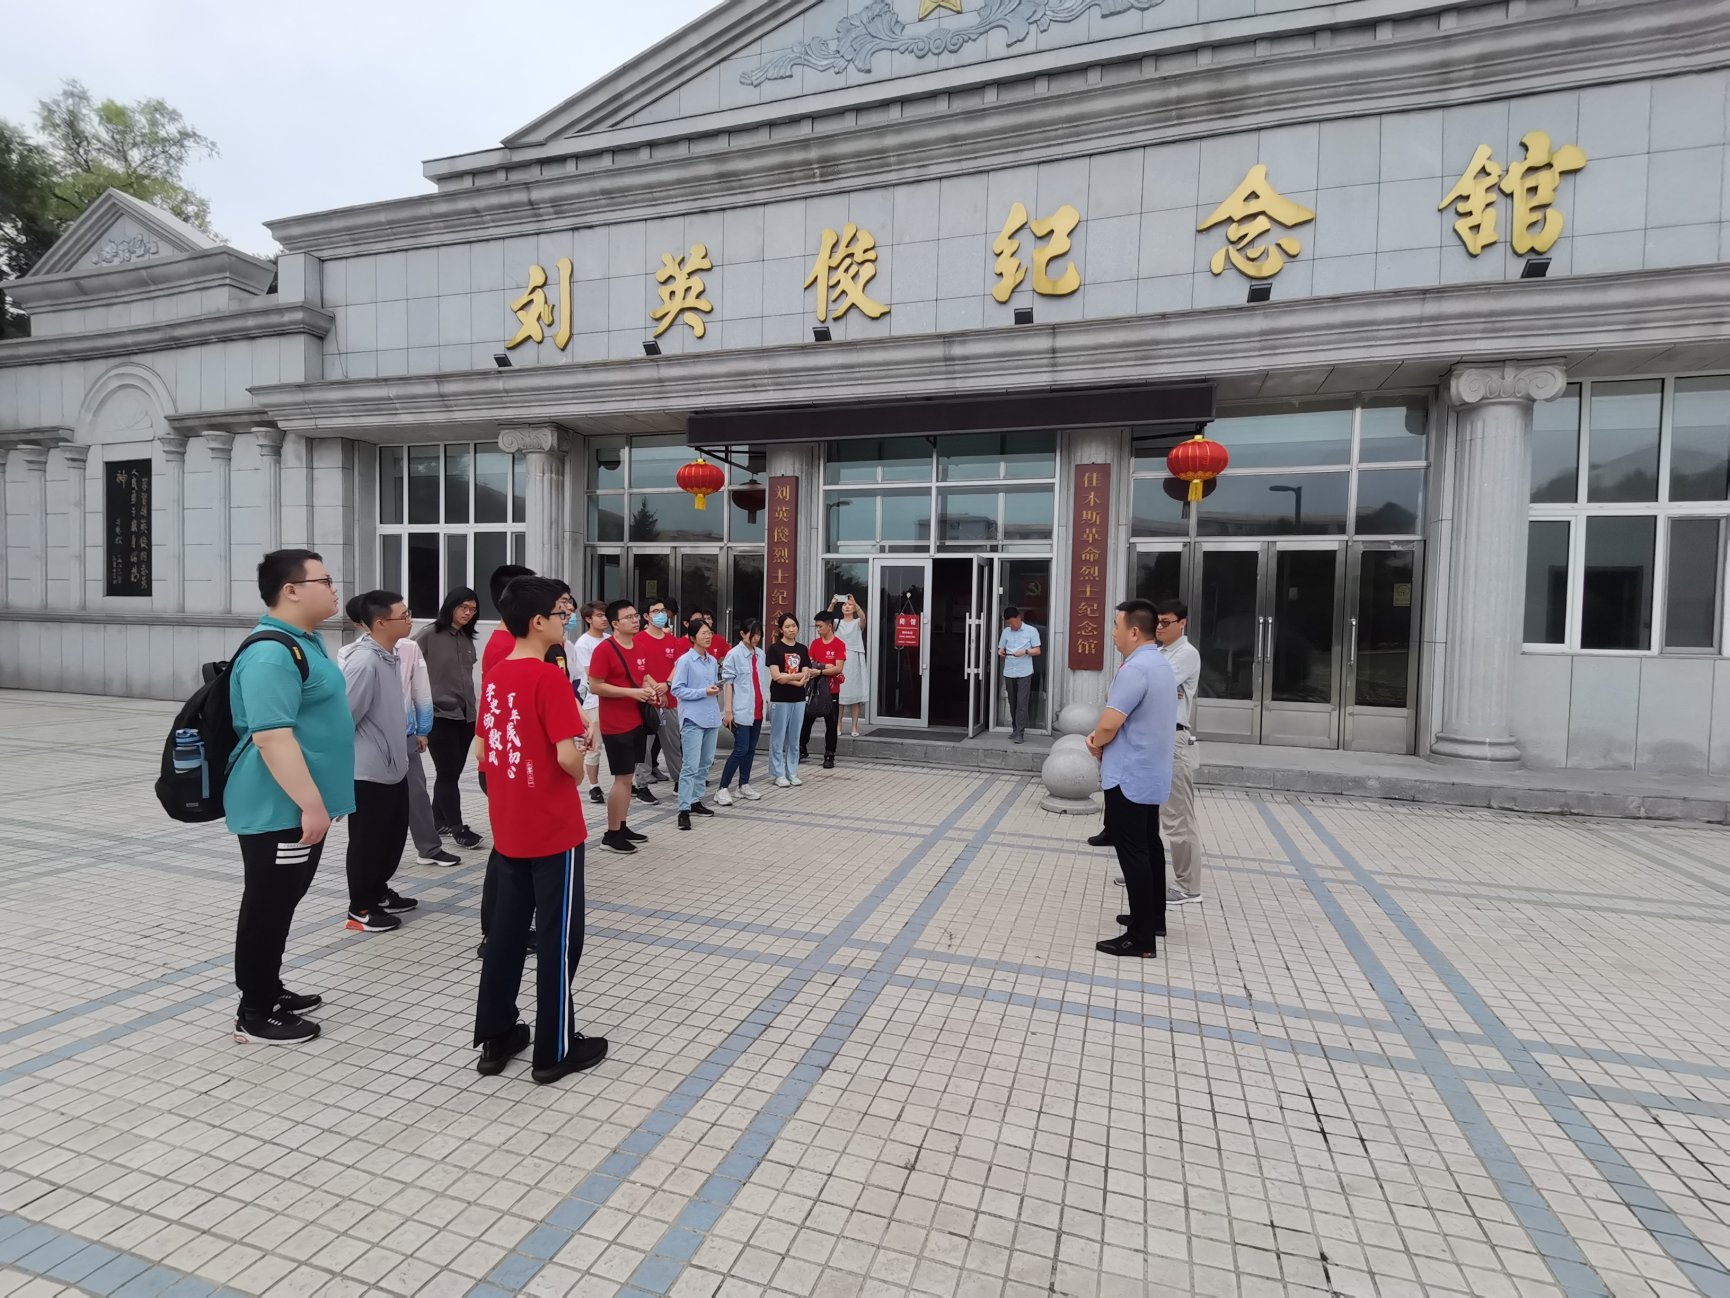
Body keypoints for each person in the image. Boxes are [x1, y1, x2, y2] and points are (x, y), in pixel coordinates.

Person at [473, 575, 608, 1084]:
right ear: (537, 622)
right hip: (552, 828)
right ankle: (554, 1050)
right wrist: (576, 754)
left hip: (509, 823)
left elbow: (484, 748)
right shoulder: (547, 677)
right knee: (558, 938)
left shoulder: (495, 676)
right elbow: (568, 760)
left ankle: (497, 1037)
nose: (565, 620)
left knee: (506, 934)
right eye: (560, 613)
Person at [226, 549, 353, 1045]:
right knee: (269, 903)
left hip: (297, 805)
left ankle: (269, 987)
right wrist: (311, 804)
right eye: (325, 580)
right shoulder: (271, 653)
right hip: (280, 806)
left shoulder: (305, 643)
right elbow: (271, 736)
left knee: (283, 899)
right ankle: (255, 1012)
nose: (334, 589)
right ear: (291, 590)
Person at [1086, 600, 1177, 958]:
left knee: (1134, 853)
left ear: (1134, 631)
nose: (1112, 632)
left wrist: (1095, 741)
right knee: (1149, 846)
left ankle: (1140, 939)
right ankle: (1153, 919)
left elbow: (1110, 723)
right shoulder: (1160, 664)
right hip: (1150, 772)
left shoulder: (1136, 669)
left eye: (1116, 625)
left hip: (1129, 775)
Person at [343, 597, 456, 868]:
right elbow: (348, 713)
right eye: (403, 616)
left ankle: (427, 848)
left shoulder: (404, 650)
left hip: (404, 737)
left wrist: (422, 729)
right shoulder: (358, 657)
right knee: (372, 825)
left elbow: (420, 691)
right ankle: (368, 889)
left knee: (414, 797)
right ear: (373, 622)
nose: (410, 621)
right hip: (372, 752)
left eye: (408, 613)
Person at [340, 589, 417, 933]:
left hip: (393, 766)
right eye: (404, 615)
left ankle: (378, 890)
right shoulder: (364, 662)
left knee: (391, 837)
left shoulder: (390, 655)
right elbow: (345, 718)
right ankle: (360, 907)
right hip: (368, 771)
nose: (410, 620)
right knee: (367, 842)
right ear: (381, 623)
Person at [585, 600, 658, 855]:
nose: (635, 620)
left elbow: (642, 677)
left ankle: (622, 825)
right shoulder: (604, 650)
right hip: (615, 725)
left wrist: (650, 689)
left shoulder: (639, 647)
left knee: (628, 778)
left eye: (636, 615)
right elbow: (595, 685)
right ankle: (611, 834)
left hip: (637, 720)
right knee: (622, 778)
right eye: (629, 617)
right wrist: (631, 693)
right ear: (615, 624)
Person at [415, 588, 482, 849]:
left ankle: (438, 819)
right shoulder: (429, 635)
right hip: (439, 715)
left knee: (452, 772)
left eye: (473, 610)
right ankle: (458, 828)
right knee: (447, 773)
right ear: (450, 606)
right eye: (463, 607)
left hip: (466, 717)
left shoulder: (466, 638)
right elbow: (406, 666)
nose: (468, 613)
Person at [1156, 599, 1206, 907]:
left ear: (1182, 623)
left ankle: (1188, 886)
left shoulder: (1186, 654)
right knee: (1149, 810)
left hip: (1174, 738)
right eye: (1157, 622)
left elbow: (1152, 685)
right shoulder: (1157, 653)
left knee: (1178, 816)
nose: (1160, 627)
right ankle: (1146, 870)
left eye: (1166, 622)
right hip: (1153, 738)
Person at [671, 616, 724, 830]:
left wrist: (715, 688)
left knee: (705, 763)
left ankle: (695, 800)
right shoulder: (685, 661)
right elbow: (677, 689)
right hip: (693, 718)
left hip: (711, 717)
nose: (708, 637)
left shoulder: (712, 661)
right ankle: (683, 809)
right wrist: (703, 691)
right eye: (703, 633)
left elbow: (710, 686)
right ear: (692, 638)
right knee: (690, 766)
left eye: (709, 633)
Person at [633, 596, 686, 803]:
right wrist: (657, 689)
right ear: (646, 616)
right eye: (656, 611)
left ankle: (680, 781)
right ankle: (642, 785)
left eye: (662, 611)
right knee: (644, 746)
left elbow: (678, 665)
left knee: (673, 743)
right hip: (646, 700)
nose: (661, 614)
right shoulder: (637, 640)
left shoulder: (672, 640)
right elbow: (641, 670)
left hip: (670, 700)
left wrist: (667, 685)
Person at [716, 620, 768, 806]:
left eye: (759, 634)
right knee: (741, 749)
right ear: (743, 634)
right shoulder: (734, 654)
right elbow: (728, 684)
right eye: (752, 634)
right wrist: (728, 711)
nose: (756, 638)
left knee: (751, 749)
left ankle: (743, 785)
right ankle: (722, 788)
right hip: (741, 710)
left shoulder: (760, 654)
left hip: (757, 709)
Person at [567, 601, 611, 806]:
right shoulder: (583, 644)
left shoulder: (610, 640)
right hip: (593, 701)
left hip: (613, 700)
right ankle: (594, 786)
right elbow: (590, 674)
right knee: (594, 746)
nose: (604, 619)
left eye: (605, 615)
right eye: (599, 615)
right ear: (588, 619)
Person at [765, 614, 813, 788]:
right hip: (780, 698)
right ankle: (778, 773)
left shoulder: (802, 649)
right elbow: (776, 676)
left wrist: (790, 677)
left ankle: (792, 772)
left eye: (793, 625)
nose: (791, 629)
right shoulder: (774, 649)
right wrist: (796, 679)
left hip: (798, 699)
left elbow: (806, 673)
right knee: (777, 738)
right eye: (787, 626)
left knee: (794, 738)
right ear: (781, 629)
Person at [800, 610, 846, 769]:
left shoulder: (839, 644)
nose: (818, 629)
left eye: (820, 626)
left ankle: (829, 754)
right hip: (814, 689)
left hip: (831, 691)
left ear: (829, 626)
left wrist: (819, 671)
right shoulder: (815, 644)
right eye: (817, 627)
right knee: (807, 720)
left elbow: (838, 668)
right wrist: (825, 666)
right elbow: (809, 663)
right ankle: (801, 748)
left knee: (831, 724)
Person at [996, 606, 1042, 744]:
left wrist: (1025, 652)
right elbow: (1000, 648)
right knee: (1013, 702)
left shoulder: (1031, 631)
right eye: (1008, 623)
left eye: (1012, 622)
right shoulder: (1006, 632)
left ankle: (1020, 733)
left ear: (1018, 618)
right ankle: (1015, 729)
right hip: (1009, 671)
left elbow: (1037, 650)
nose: (1010, 625)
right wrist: (1001, 652)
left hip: (1024, 672)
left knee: (1022, 702)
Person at [831, 592, 868, 737]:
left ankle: (854, 726)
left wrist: (855, 602)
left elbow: (863, 617)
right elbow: (825, 618)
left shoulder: (857, 623)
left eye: (849, 605)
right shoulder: (836, 622)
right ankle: (838, 724)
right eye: (845, 604)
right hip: (840, 659)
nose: (847, 607)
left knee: (855, 695)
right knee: (840, 694)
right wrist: (833, 603)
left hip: (854, 659)